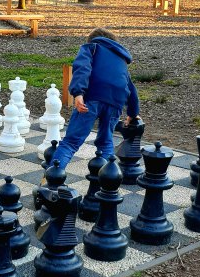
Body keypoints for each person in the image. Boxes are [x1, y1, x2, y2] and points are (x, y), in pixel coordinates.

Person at [51, 27, 140, 170]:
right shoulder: (121, 58)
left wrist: (78, 93)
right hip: (115, 102)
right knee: (105, 141)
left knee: (71, 142)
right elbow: (130, 87)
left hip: (91, 99)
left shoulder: (91, 47)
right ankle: (105, 184)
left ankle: (51, 181)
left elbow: (82, 68)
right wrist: (132, 113)